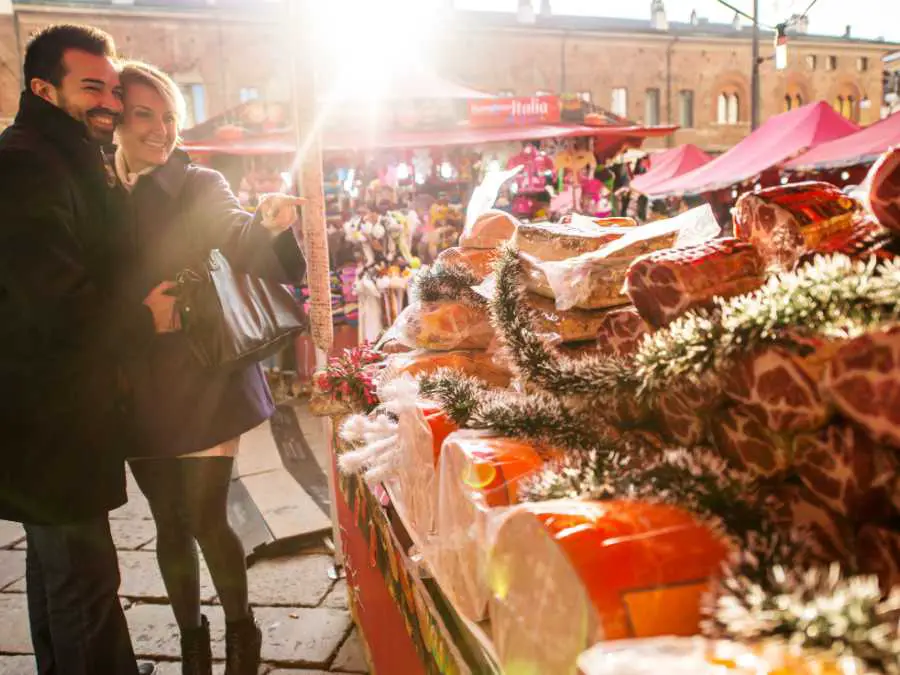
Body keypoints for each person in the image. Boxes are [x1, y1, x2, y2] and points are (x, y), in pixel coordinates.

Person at [112, 61, 306, 675]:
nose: (159, 129)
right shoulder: (96, 191)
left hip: (204, 372)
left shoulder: (199, 183)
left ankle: (241, 637)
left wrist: (271, 227)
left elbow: (241, 237)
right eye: (143, 114)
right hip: (135, 376)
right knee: (168, 521)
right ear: (116, 117)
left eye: (169, 116)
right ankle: (191, 645)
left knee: (204, 515)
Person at [0, 24, 170, 675]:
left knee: (56, 570)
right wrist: (140, 315)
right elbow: (52, 295)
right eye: (90, 86)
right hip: (50, 412)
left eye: (111, 87)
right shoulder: (28, 162)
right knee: (83, 579)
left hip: (49, 409)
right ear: (44, 88)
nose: (110, 102)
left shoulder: (58, 153)